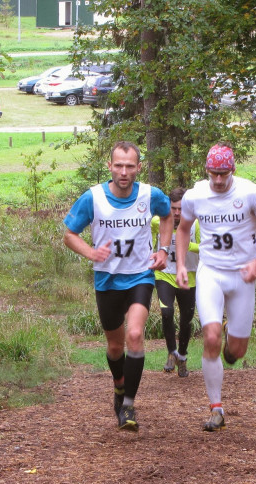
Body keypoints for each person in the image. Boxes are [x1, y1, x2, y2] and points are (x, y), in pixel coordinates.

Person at [63, 141, 173, 431]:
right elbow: (69, 235)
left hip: (140, 275)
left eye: (130, 166)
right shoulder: (93, 198)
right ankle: (119, 385)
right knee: (115, 346)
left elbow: (168, 215)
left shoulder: (151, 195)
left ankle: (128, 406)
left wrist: (163, 250)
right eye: (119, 165)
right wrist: (91, 252)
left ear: (138, 168)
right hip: (107, 279)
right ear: (110, 166)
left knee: (135, 334)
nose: (124, 171)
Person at [175, 143, 256, 431]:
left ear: (233, 170)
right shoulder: (195, 195)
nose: (219, 180)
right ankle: (216, 409)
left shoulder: (250, 193)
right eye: (214, 174)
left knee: (236, 351)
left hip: (243, 276)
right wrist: (182, 265)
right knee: (210, 337)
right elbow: (183, 230)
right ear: (207, 171)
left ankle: (230, 344)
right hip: (211, 272)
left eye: (224, 174)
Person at [151, 187, 200, 377]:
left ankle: (183, 356)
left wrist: (187, 244)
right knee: (166, 311)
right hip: (164, 274)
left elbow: (207, 248)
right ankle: (172, 352)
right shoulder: (158, 222)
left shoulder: (195, 225)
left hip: (189, 276)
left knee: (186, 321)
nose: (177, 213)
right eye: (174, 209)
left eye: (181, 209)